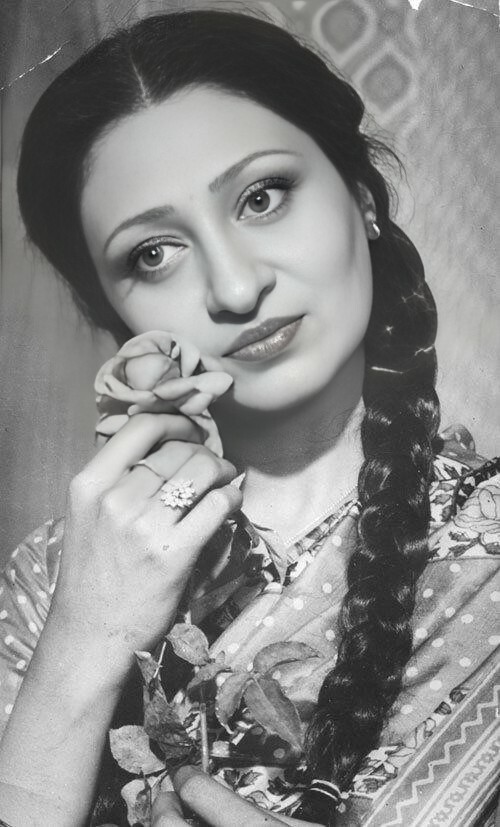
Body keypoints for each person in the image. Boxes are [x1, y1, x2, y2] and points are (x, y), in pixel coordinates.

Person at [0, 8, 498, 827]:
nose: (235, 288)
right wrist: (84, 640)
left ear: (362, 196)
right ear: (114, 311)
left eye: (262, 197)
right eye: (153, 253)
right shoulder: (56, 581)